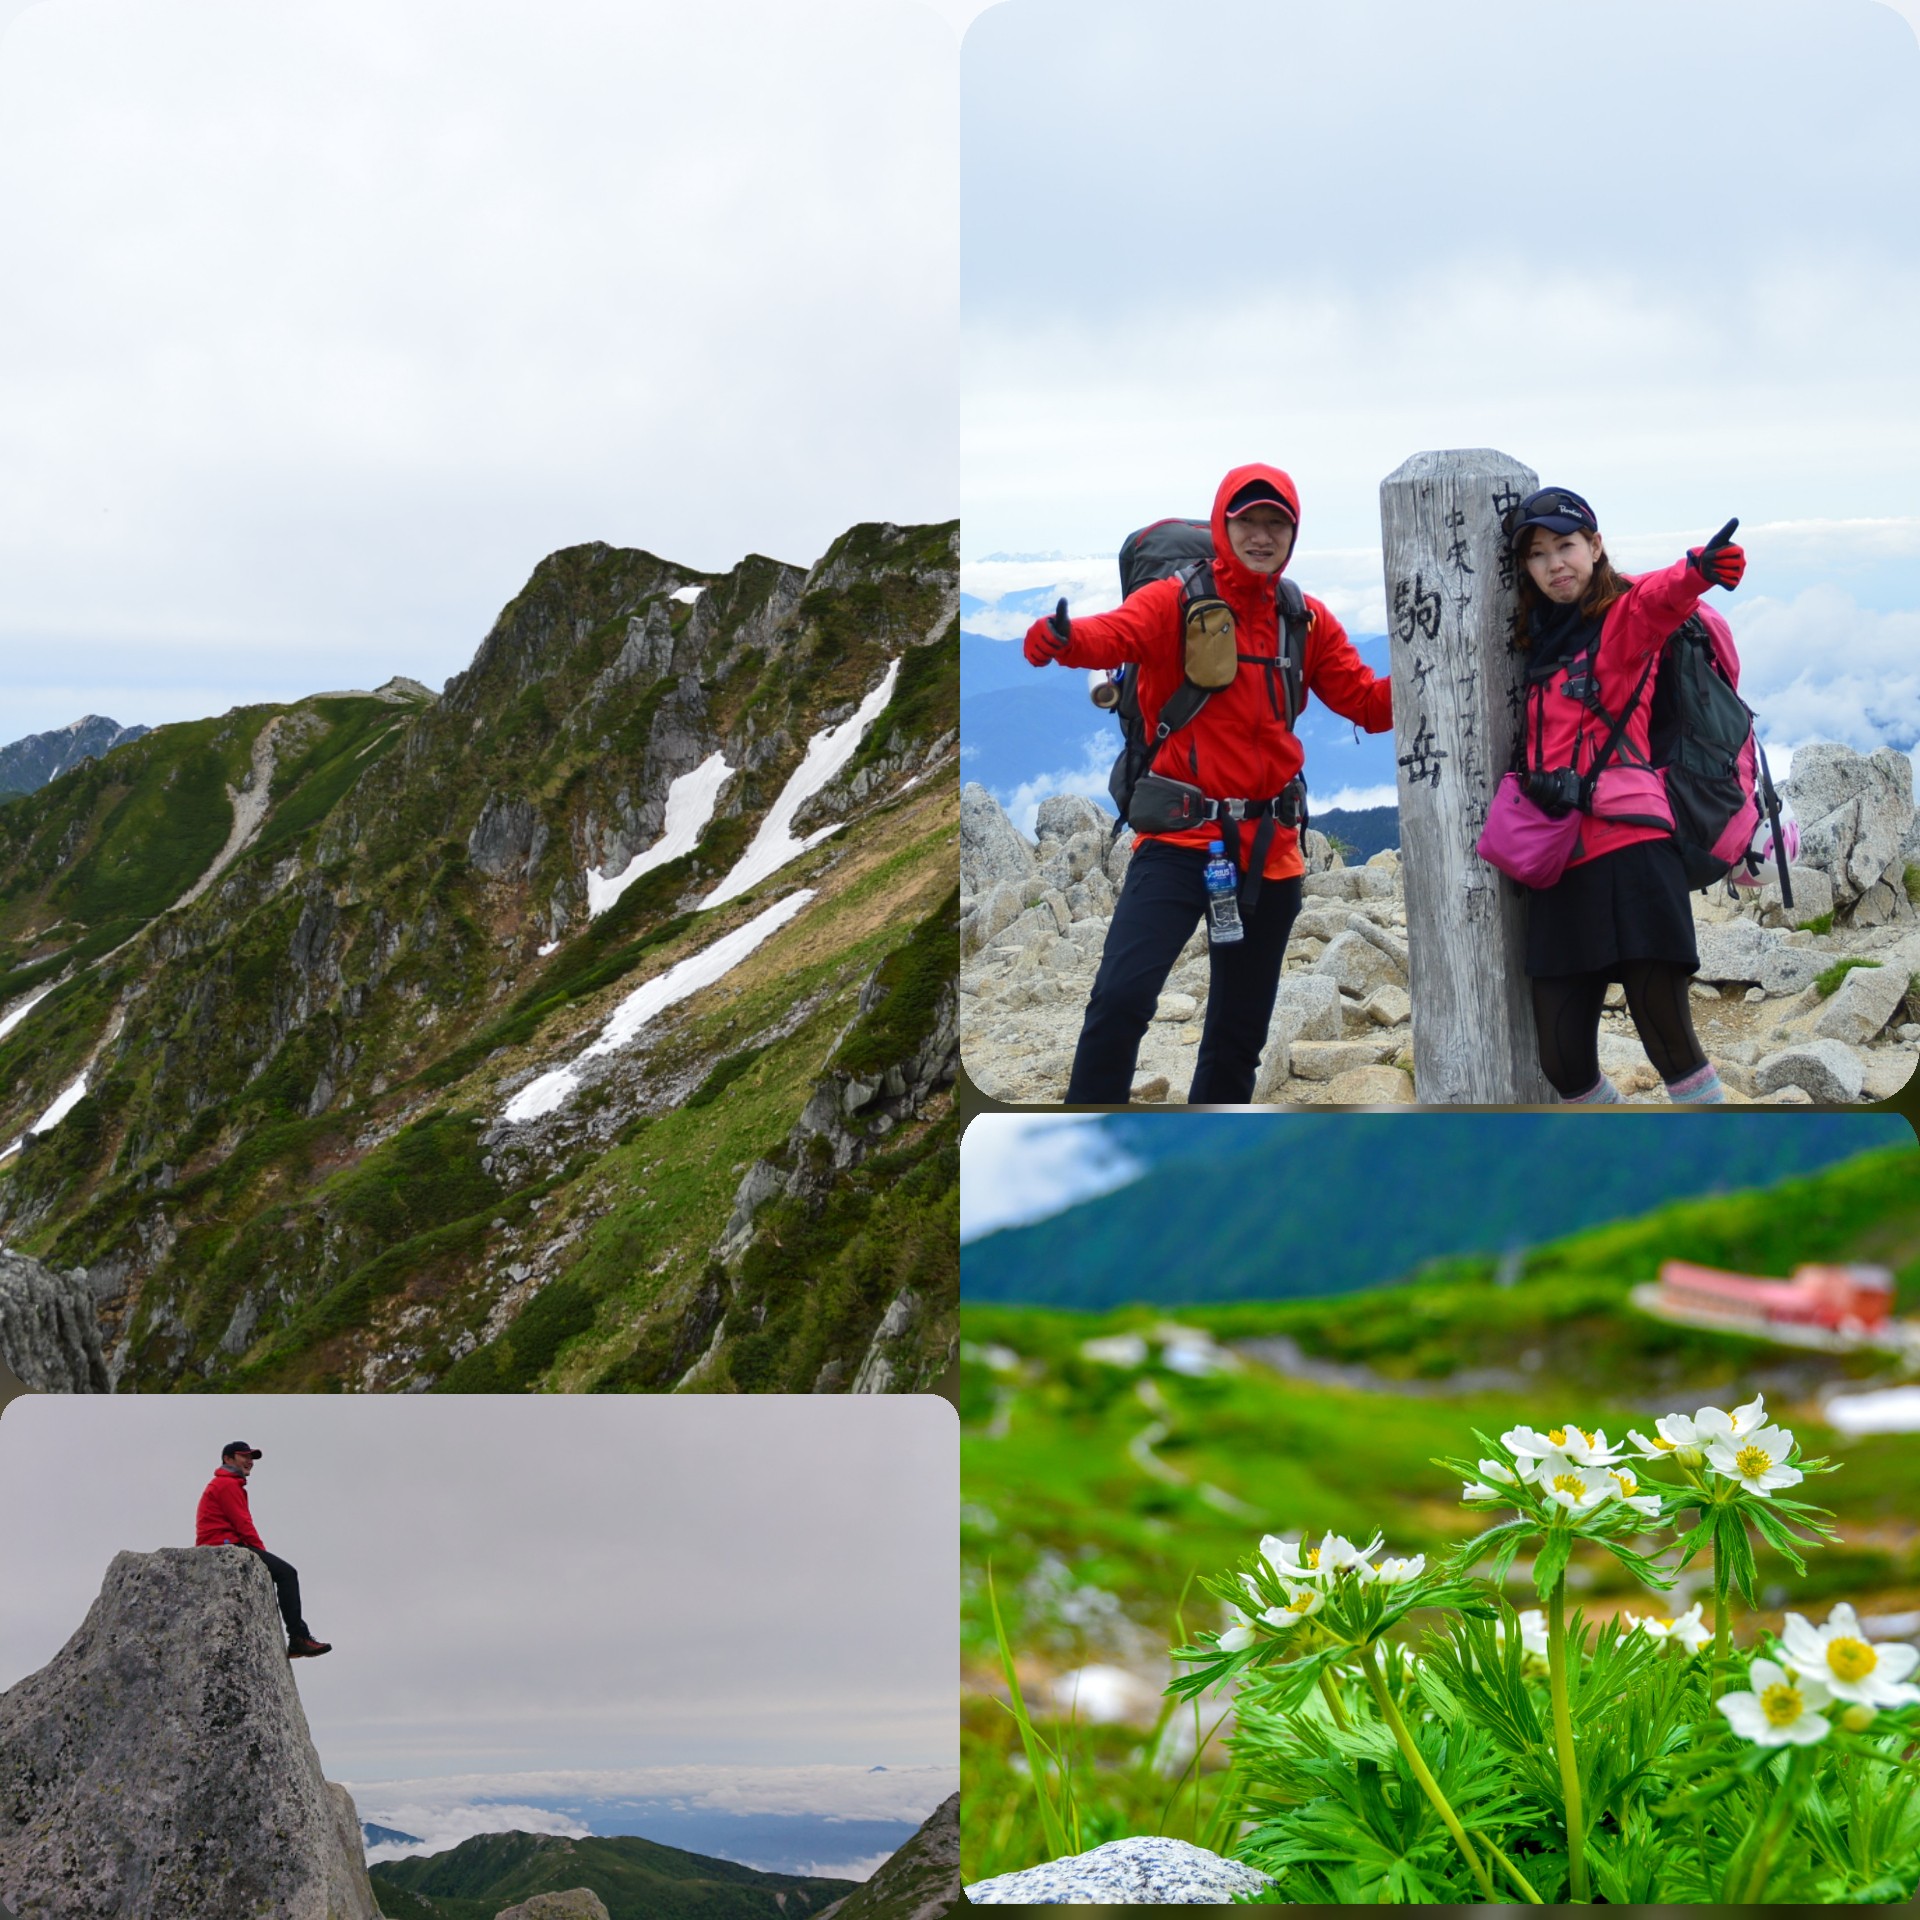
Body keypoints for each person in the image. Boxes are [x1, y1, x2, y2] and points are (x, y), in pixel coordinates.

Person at [1024, 463, 1392, 1103]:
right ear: (1223, 525)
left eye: (1277, 523)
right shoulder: (1175, 599)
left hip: (1269, 852)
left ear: (1293, 533)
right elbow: (1117, 632)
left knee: (1238, 1031)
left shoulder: (1304, 620)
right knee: (1122, 997)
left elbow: (1365, 702)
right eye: (1248, 520)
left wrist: (1437, 673)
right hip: (1179, 839)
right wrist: (1061, 641)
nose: (1261, 534)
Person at [1505, 485, 1746, 1105]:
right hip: (1560, 863)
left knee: (1670, 1043)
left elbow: (1658, 603)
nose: (1555, 563)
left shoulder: (1619, 622)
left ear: (1595, 546)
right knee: (1562, 1061)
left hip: (1635, 853)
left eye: (1567, 545)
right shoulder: (1536, 638)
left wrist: (1695, 571)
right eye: (1538, 554)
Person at [195, 1441, 332, 1658]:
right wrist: (261, 1555)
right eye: (244, 1456)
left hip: (221, 1542)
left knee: (284, 1572)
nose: (250, 1461)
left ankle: (298, 1637)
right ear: (228, 1459)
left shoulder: (226, 1483)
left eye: (252, 1458)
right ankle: (298, 1637)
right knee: (287, 1573)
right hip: (224, 1543)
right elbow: (243, 1523)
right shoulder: (227, 1484)